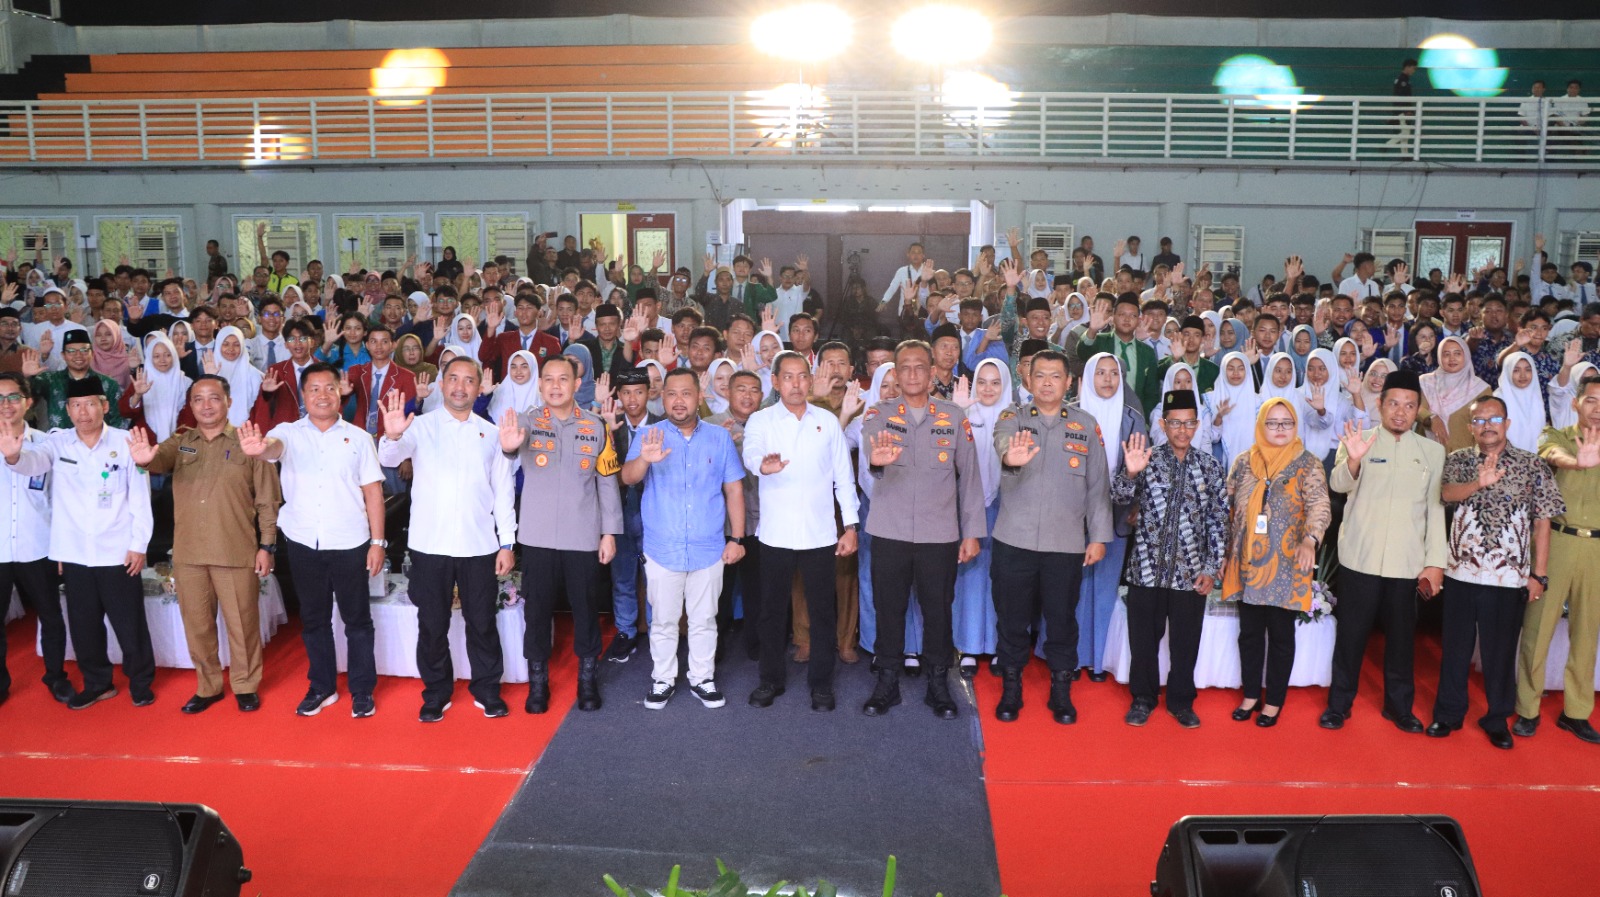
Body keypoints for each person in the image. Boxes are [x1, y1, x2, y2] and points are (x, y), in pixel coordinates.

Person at [237, 363, 386, 718]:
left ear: (341, 392)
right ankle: (322, 686)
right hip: (304, 541)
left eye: (329, 388)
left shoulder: (359, 438)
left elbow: (374, 494)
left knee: (358, 621)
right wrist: (260, 448)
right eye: (314, 389)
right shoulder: (287, 432)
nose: (322, 395)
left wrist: (378, 542)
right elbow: (273, 448)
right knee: (315, 620)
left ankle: (363, 690)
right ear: (304, 396)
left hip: (350, 542)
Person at [129, 375, 281, 713]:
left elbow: (267, 500)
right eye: (198, 399)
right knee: (197, 625)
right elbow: (157, 460)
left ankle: (245, 684)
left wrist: (266, 545)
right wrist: (143, 459)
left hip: (235, 550)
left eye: (214, 397)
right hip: (189, 553)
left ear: (228, 401)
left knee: (243, 624)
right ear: (190, 405)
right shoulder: (181, 441)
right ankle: (208, 686)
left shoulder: (249, 441)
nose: (206, 405)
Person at [378, 357, 517, 722]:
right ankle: (436, 692)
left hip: (479, 546)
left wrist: (507, 543)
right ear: (441, 385)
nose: (460, 386)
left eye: (469, 380)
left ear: (478, 388)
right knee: (432, 624)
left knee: (483, 622)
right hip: (429, 546)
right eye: (453, 379)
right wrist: (392, 434)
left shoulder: (490, 434)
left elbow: (503, 493)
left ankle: (487, 690)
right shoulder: (419, 426)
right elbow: (389, 457)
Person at [4, 376, 154, 709]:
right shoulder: (56, 444)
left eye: (90, 404)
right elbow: (33, 464)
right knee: (85, 626)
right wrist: (14, 458)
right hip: (74, 554)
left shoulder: (125, 441)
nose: (83, 412)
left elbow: (140, 499)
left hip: (118, 550)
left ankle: (141, 681)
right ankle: (99, 682)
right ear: (67, 410)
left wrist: (139, 544)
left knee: (129, 623)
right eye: (75, 405)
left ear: (104, 406)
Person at [858, 340, 987, 719]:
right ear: (894, 375)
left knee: (938, 611)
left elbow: (971, 478)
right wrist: (876, 460)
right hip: (890, 530)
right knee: (889, 609)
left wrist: (971, 532)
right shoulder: (879, 414)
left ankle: (938, 685)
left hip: (939, 533)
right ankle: (887, 683)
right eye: (905, 368)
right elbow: (870, 448)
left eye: (920, 367)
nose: (912, 374)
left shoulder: (953, 416)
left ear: (933, 374)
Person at [1430, 395, 1563, 749]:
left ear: (1506, 423)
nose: (1486, 426)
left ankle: (1496, 719)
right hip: (1461, 573)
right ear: (1471, 427)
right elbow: (1445, 494)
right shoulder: (1458, 460)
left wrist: (1540, 574)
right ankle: (1448, 713)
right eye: (1479, 420)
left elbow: (1543, 522)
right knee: (1455, 649)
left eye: (1494, 419)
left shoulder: (1532, 465)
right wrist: (1478, 484)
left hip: (1509, 578)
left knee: (1500, 652)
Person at [990, 351, 1114, 724]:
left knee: (1061, 622)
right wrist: (1011, 458)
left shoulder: (1085, 425)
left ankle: (1061, 691)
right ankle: (1011, 690)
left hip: (1065, 544)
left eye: (1055, 376)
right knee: (1011, 622)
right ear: (1028, 381)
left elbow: (1098, 487)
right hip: (1015, 540)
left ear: (1068, 383)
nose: (1046, 382)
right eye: (1039, 375)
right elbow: (1001, 445)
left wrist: (1099, 537)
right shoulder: (1012, 418)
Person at [1322, 369, 1446, 732]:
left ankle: (1399, 707)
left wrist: (1435, 563)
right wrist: (1355, 459)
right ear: (1380, 404)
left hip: (1406, 565)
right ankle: (1338, 705)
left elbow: (1436, 510)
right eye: (1393, 403)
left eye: (1409, 406)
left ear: (1417, 409)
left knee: (1402, 643)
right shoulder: (1359, 440)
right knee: (1350, 638)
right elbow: (1338, 484)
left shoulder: (1432, 452)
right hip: (1359, 558)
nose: (1400, 412)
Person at [498, 354, 622, 714]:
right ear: (539, 384)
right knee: (536, 613)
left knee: (586, 611)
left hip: (582, 536)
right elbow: (507, 453)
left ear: (576, 384)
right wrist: (507, 446)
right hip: (536, 538)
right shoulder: (525, 422)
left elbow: (607, 481)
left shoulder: (596, 426)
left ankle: (587, 681)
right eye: (548, 379)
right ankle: (538, 684)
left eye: (563, 379)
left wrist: (609, 532)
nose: (555, 386)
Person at [622, 367, 746, 709]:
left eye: (686, 393)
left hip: (709, 547)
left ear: (699, 397)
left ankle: (702, 678)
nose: (679, 401)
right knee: (663, 619)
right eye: (672, 394)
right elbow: (628, 477)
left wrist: (737, 538)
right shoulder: (649, 434)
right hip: (663, 547)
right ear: (662, 398)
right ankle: (662, 679)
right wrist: (645, 461)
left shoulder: (719, 438)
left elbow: (734, 489)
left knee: (705, 618)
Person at [742, 351, 859, 711]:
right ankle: (770, 680)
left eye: (802, 377)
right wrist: (763, 466)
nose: (796, 384)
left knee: (823, 611)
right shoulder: (761, 421)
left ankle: (821, 685)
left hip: (820, 534)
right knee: (772, 612)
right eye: (788, 377)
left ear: (811, 381)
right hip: (775, 535)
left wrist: (851, 526)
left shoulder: (826, 421)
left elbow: (844, 477)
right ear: (775, 382)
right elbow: (750, 454)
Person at [1113, 389, 1229, 728]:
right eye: (1175, 423)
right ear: (1163, 424)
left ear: (1197, 425)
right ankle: (1142, 699)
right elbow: (1118, 497)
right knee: (1143, 642)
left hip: (1189, 573)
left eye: (1189, 423)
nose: (1182, 430)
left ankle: (1181, 702)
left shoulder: (1209, 467)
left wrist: (1210, 567)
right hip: (1146, 572)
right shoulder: (1147, 459)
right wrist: (1131, 473)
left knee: (1185, 644)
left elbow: (1219, 520)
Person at [1222, 398, 1330, 727]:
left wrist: (1311, 539)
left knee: (1281, 635)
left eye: (1286, 422)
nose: (1280, 429)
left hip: (1287, 561)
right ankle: (1252, 694)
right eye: (1272, 422)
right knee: (1250, 633)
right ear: (1261, 425)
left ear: (1295, 426)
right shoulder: (1243, 462)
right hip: (1249, 562)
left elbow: (1319, 505)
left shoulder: (1308, 463)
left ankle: (1275, 702)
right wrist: (1225, 555)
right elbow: (1227, 511)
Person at [1514, 373, 1600, 744]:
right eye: (1592, 400)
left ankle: (1576, 712)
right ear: (1578, 403)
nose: (1598, 409)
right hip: (1558, 541)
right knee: (1539, 626)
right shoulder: (1556, 435)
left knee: (1586, 633)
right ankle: (1527, 709)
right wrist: (1578, 462)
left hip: (1596, 548)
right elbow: (1552, 456)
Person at [0, 373, 74, 705]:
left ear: (28, 403)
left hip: (38, 544)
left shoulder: (46, 443)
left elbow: (58, 498)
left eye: (13, 397)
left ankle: (56, 677)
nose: (6, 405)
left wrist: (61, 546)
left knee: (50, 616)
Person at [952, 358, 1008, 678]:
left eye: (995, 382)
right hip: (969, 506)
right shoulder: (965, 414)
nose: (988, 389)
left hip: (1005, 507)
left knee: (1001, 578)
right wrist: (958, 413)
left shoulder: (1015, 417)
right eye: (982, 382)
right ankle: (970, 646)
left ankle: (1000, 645)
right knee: (971, 578)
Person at [601, 367, 659, 663]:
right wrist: (609, 432)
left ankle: (657, 633)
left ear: (650, 393)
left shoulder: (664, 426)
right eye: (626, 392)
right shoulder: (610, 426)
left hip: (655, 513)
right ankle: (625, 632)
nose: (632, 398)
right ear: (619, 396)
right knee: (622, 577)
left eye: (639, 391)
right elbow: (603, 471)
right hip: (620, 512)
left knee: (656, 577)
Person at [1420, 336, 1492, 452]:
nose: (1452, 359)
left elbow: (1485, 427)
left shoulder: (1480, 389)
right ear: (1439, 357)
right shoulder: (1426, 382)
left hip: (1464, 457)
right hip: (1427, 455)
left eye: (1457, 354)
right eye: (1446, 354)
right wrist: (1432, 418)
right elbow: (1416, 408)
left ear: (1466, 356)